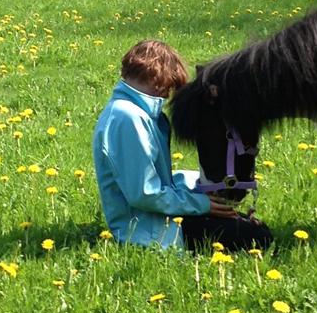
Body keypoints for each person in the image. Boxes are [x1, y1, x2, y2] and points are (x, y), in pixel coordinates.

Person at [92, 40, 273, 251]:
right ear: (156, 79)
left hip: (158, 219)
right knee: (256, 237)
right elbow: (144, 193)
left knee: (247, 226)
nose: (168, 95)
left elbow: (156, 182)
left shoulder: (136, 114)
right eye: (168, 87)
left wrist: (198, 187)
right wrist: (201, 204)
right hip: (148, 231)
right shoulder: (128, 118)